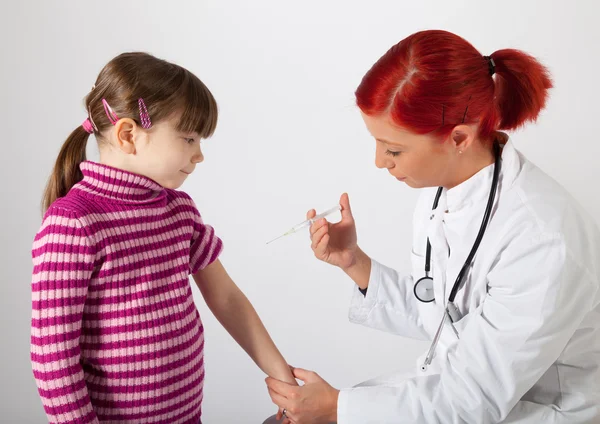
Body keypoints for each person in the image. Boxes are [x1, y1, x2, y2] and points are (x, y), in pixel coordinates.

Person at [265, 30, 600, 423]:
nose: (379, 162)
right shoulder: (442, 194)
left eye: (393, 149)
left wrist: (339, 408)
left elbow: (473, 400)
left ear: (459, 137)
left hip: (535, 410)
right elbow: (444, 314)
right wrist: (354, 262)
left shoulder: (543, 240)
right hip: (455, 392)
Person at [30, 52, 295, 424]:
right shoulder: (73, 223)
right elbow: (53, 357)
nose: (199, 154)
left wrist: (287, 383)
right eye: (188, 138)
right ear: (128, 134)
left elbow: (228, 299)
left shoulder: (178, 210)